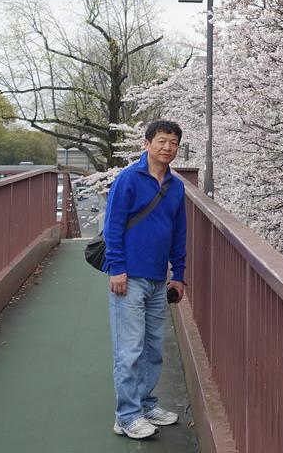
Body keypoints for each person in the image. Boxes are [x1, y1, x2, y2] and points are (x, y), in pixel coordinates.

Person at [102, 120, 188, 440]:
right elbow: (113, 226)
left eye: (173, 143)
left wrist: (177, 275)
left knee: (153, 347)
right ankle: (126, 415)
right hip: (130, 276)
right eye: (162, 141)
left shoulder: (176, 186)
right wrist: (116, 269)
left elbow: (179, 233)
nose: (167, 148)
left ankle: (145, 403)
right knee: (129, 349)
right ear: (147, 143)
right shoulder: (129, 179)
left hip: (157, 279)